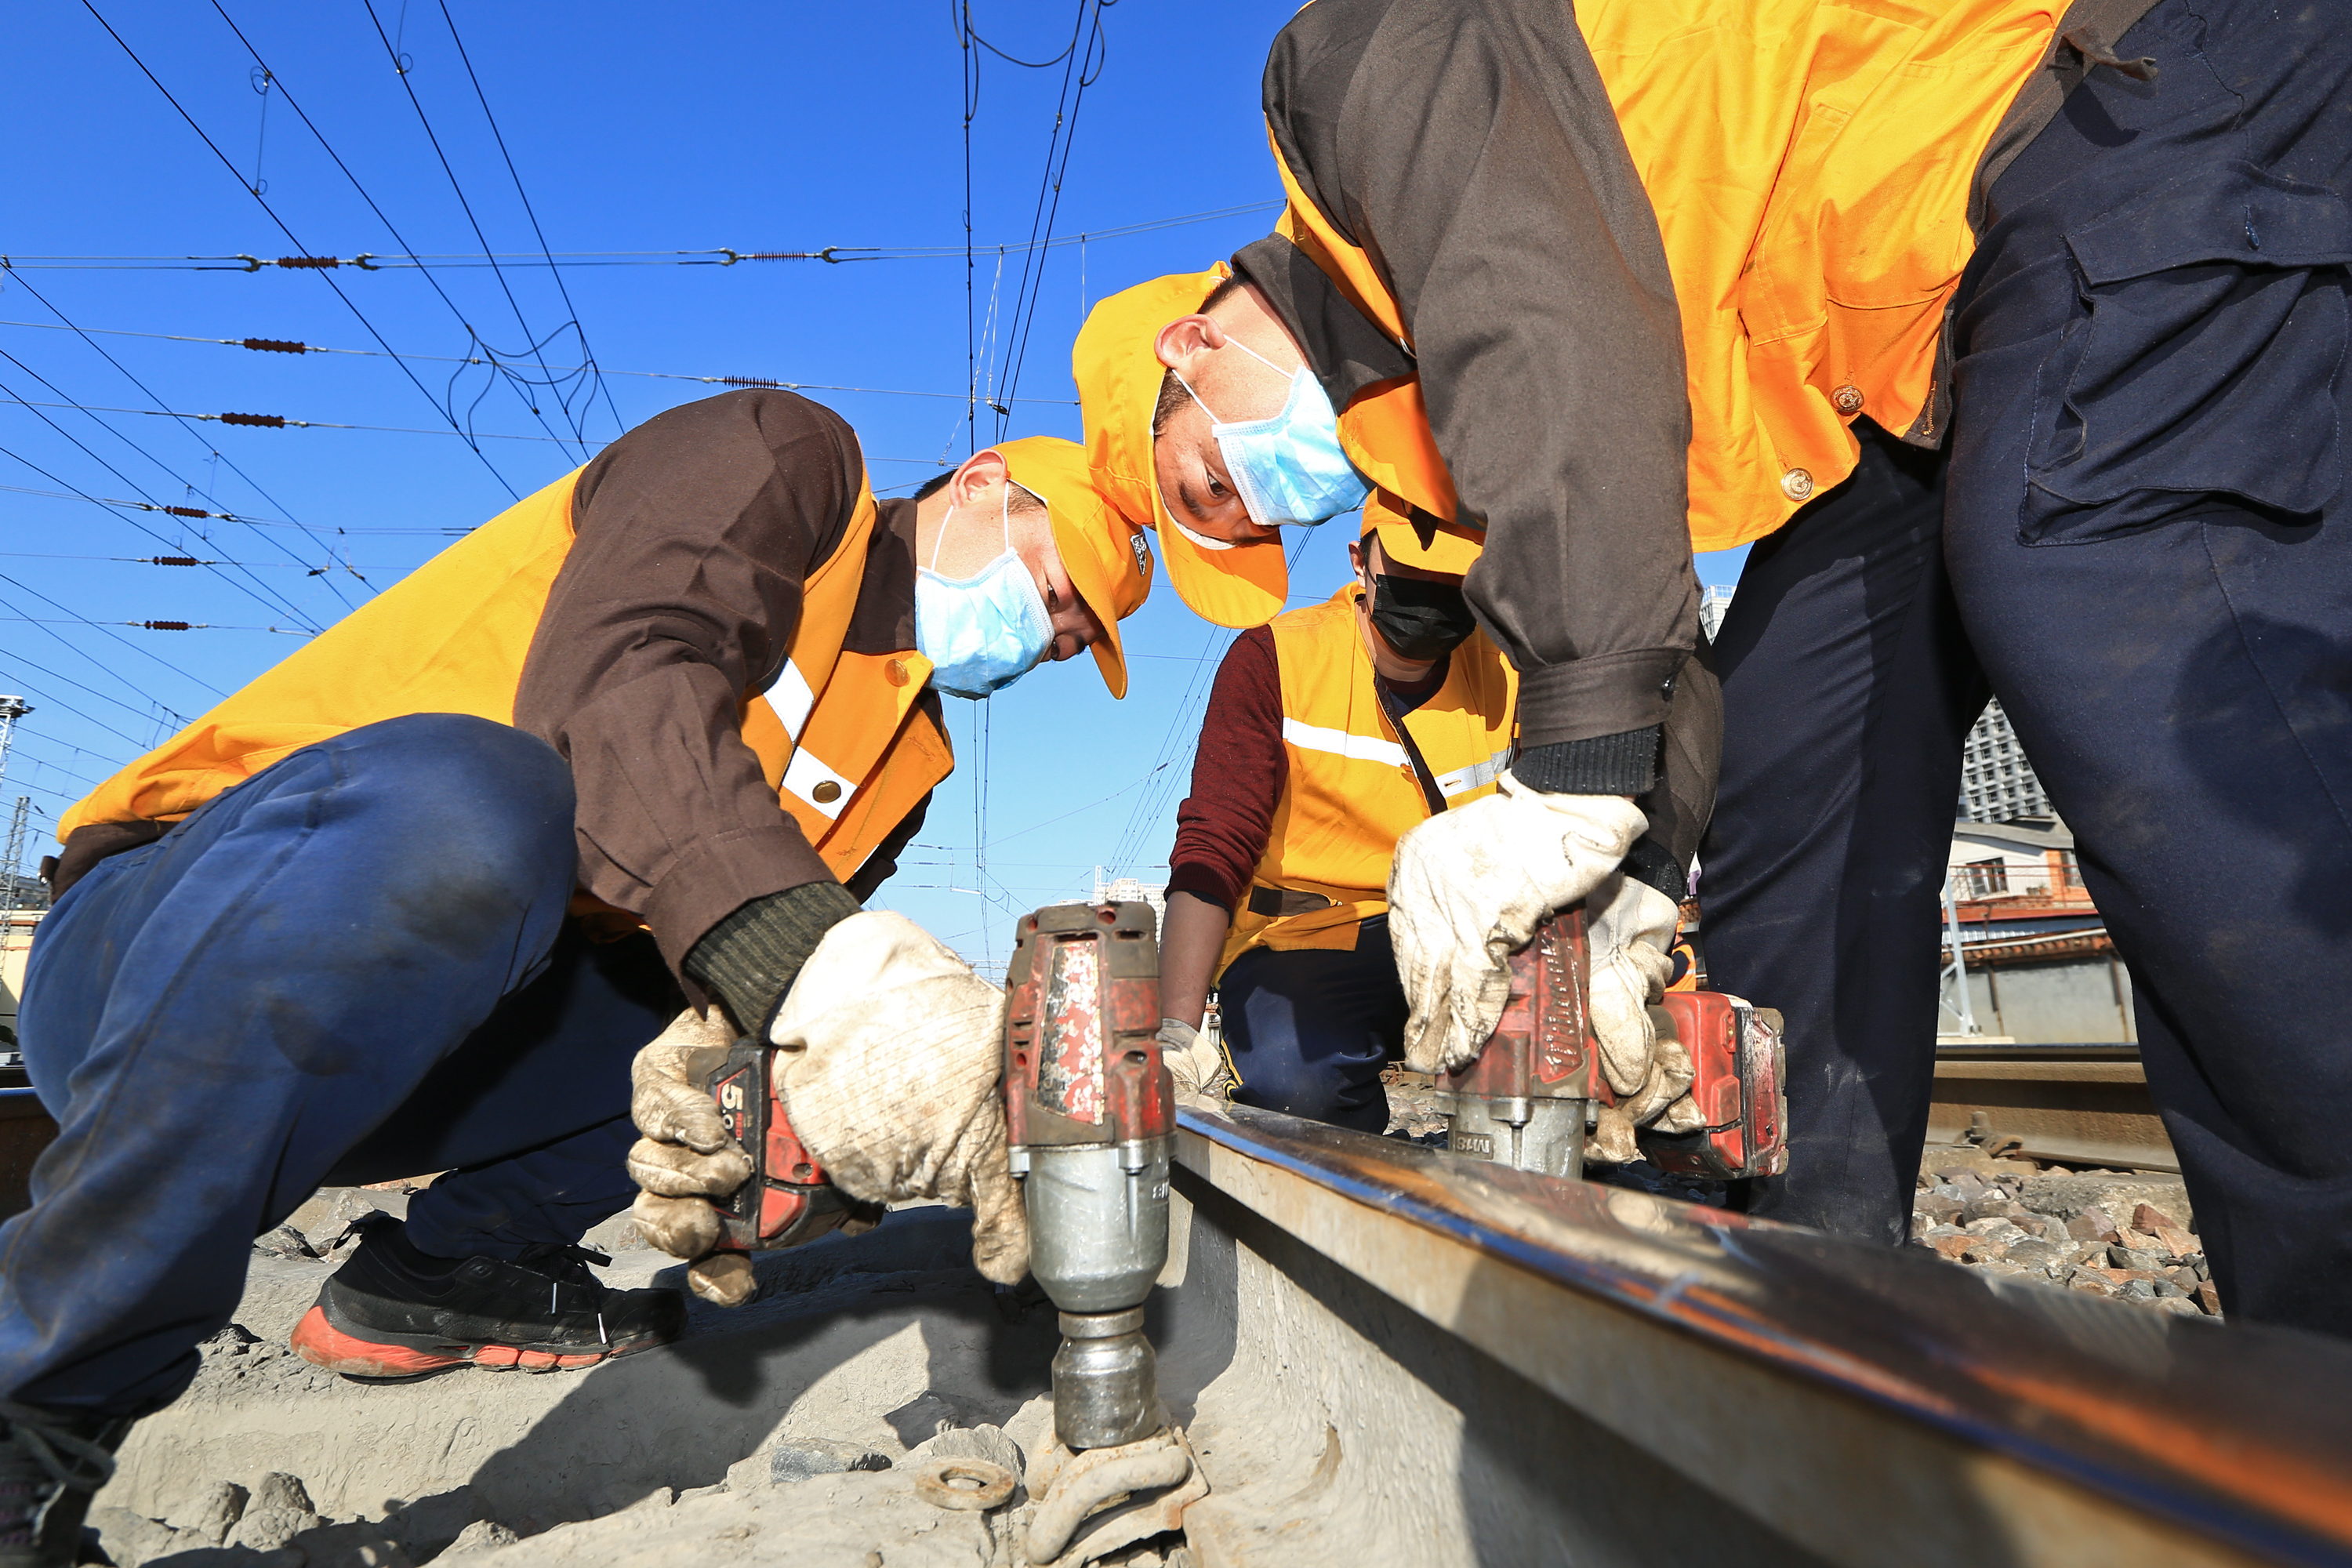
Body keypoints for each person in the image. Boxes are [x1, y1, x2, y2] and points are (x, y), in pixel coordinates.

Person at [1077, 0, 2352, 1336]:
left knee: (2099, 581)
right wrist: (1636, 863)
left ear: (1192, 348)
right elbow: (1653, 621)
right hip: (1904, 358)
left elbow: (1539, 305)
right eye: (1248, 524)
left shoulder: (1358, 77)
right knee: (1793, 759)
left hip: (2093, 108)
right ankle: (1815, 1297)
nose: (1265, 506)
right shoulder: (1440, 453)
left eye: (1210, 482)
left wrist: (1572, 774)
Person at [0, 390, 1152, 1564]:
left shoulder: (907, 758)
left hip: (428, 1048)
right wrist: (819, 969)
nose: (1054, 634)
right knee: (486, 799)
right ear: (981, 483)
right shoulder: (784, 462)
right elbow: (610, 694)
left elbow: (744, 1008)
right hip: (172, 948)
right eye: (1060, 592)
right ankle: (33, 1404)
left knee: (740, 1036)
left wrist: (830, 1120)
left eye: (1075, 640)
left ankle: (458, 1266)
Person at [1156, 516, 1512, 1131]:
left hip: (1467, 942)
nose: (1430, 588)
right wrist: (1175, 1033)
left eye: (1452, 576)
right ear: (1359, 561)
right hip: (1301, 942)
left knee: (1553, 1055)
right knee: (1298, 1087)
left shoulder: (1508, 673)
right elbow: (1215, 846)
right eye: (1409, 570)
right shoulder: (1277, 658)